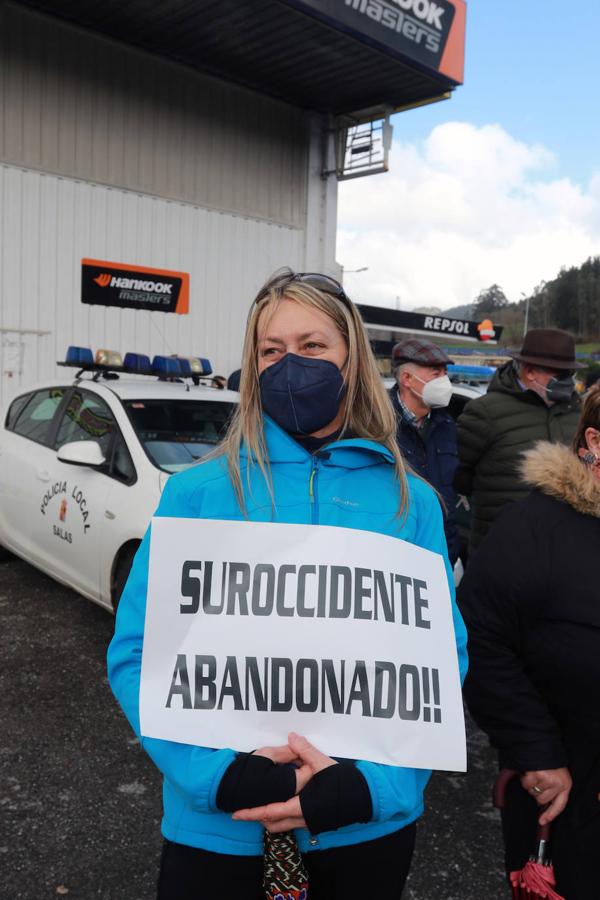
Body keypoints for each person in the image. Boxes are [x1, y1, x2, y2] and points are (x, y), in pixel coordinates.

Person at [107, 268, 468, 900]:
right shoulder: (197, 493)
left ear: (351, 359)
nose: (290, 364)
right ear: (251, 363)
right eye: (271, 350)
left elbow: (438, 663)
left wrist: (377, 785)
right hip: (220, 827)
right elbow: (138, 654)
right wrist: (213, 775)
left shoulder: (412, 502)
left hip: (362, 826)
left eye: (312, 346)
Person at [458, 385, 600, 899]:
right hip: (570, 792)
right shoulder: (532, 527)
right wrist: (536, 752)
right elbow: (480, 640)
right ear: (594, 441)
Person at [454, 328, 581, 554]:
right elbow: (459, 475)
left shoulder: (578, 414)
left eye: (569, 374)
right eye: (560, 375)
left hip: (563, 554)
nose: (568, 381)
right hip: (500, 552)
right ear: (530, 372)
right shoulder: (485, 412)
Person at [389, 338, 460, 565]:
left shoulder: (447, 425)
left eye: (445, 373)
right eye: (436, 373)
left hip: (441, 550)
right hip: (397, 549)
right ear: (407, 379)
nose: (445, 381)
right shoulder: (379, 427)